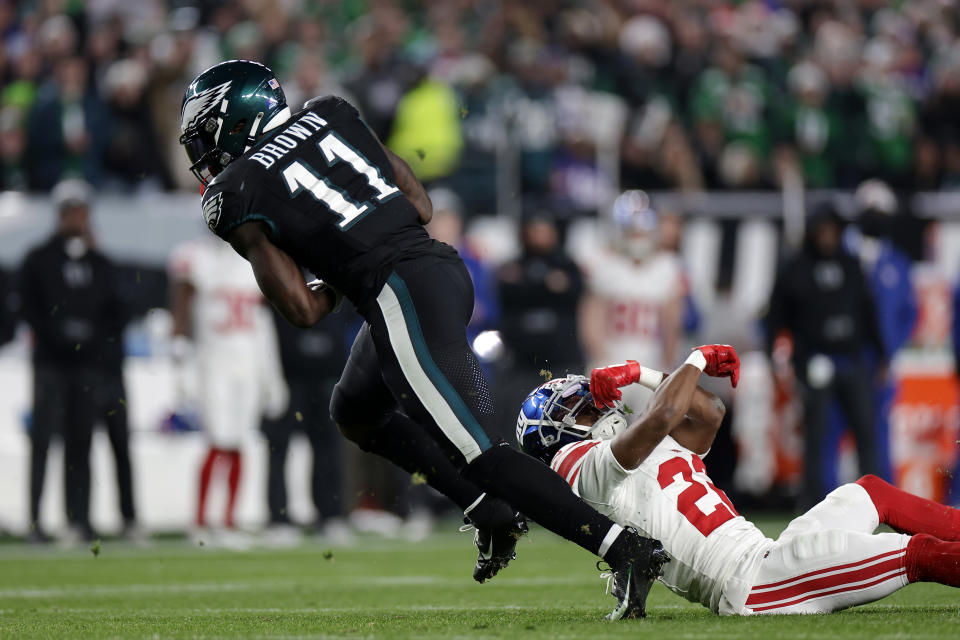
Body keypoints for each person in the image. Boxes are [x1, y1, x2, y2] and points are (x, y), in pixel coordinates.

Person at [178, 60, 667, 618]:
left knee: (483, 453)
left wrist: (339, 274)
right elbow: (421, 205)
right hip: (439, 269)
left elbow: (303, 309)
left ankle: (625, 548)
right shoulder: (330, 112)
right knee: (355, 410)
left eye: (205, 130)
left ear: (235, 121)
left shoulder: (235, 190)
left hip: (399, 294)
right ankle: (488, 510)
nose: (202, 149)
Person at [518, 349, 960, 615]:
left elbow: (709, 411)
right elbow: (665, 415)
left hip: (769, 555)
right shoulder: (580, 468)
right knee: (918, 554)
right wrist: (694, 360)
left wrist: (642, 374)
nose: (594, 407)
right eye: (579, 409)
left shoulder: (640, 441)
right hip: (754, 586)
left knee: (870, 491)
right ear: (553, 433)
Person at [18, 179, 131, 542]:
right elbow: (28, 308)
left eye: (80, 210)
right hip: (51, 364)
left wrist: (89, 340)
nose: (75, 218)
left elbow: (117, 312)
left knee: (80, 443)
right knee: (42, 443)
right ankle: (35, 522)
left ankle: (79, 519)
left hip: (87, 366)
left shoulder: (100, 263)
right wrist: (60, 333)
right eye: (69, 211)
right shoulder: (38, 259)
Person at [764, 204, 886, 510]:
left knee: (866, 433)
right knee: (816, 437)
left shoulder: (850, 264)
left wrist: (882, 353)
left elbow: (868, 311)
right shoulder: (796, 268)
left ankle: (878, 503)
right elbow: (775, 316)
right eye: (823, 231)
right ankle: (813, 504)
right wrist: (772, 358)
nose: (828, 237)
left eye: (833, 231)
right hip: (814, 361)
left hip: (852, 360)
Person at [168, 235, 288, 539]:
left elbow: (262, 323)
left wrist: (271, 375)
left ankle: (228, 520)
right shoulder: (197, 258)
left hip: (246, 361)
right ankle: (200, 520)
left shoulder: (253, 263)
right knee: (218, 440)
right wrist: (180, 351)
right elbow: (183, 304)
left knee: (239, 441)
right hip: (214, 361)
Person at [580, 191, 683, 411]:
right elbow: (592, 318)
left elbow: (672, 323)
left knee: (649, 434)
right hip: (612, 358)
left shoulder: (666, 266)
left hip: (651, 361)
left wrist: (667, 364)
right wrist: (600, 358)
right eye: (632, 231)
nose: (637, 237)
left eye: (641, 231)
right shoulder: (605, 265)